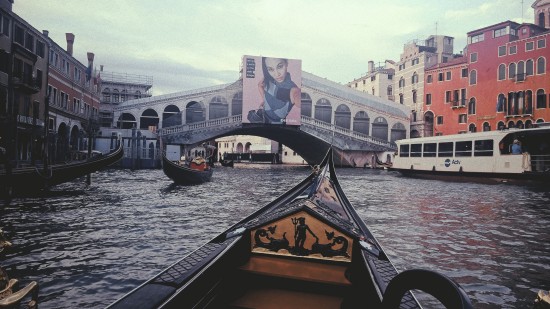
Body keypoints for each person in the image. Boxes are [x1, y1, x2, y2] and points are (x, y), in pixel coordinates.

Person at [252, 57, 300, 124]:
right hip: (263, 119)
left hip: (278, 126)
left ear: (286, 63)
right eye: (270, 69)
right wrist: (264, 100)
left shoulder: (294, 90)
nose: (277, 74)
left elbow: (297, 97)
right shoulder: (268, 80)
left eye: (280, 66)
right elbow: (260, 85)